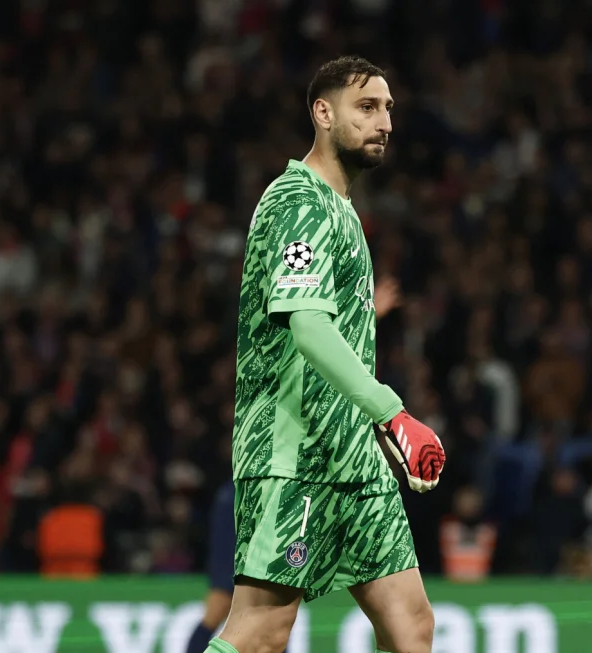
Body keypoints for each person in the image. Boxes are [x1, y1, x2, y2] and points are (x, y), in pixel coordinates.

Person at [205, 56, 446, 653]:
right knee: (261, 633)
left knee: (412, 629)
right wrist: (390, 411)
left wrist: (371, 428)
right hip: (293, 455)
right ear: (322, 112)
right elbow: (309, 328)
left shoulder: (342, 213)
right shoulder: (296, 202)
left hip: (356, 461)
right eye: (367, 107)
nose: (384, 121)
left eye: (388, 108)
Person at [187, 278, 403, 653]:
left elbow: (326, 355)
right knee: (231, 610)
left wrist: (367, 317)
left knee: (274, 619)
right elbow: (313, 351)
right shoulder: (278, 333)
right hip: (274, 483)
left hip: (304, 479)